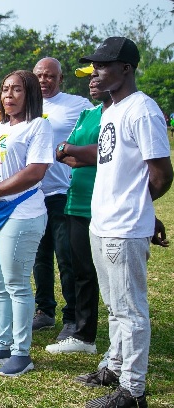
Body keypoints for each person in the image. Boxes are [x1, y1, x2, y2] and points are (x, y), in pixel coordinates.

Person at [74, 37, 173, 408]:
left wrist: (140, 209)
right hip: (102, 223)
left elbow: (162, 173)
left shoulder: (142, 110)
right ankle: (114, 367)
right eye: (95, 65)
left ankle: (133, 391)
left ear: (126, 69)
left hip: (124, 227)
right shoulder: (112, 110)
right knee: (115, 305)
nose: (96, 72)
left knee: (131, 310)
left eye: (103, 65)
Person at [0, 70, 52, 377]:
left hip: (22, 212)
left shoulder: (38, 126)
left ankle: (21, 352)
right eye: (5, 90)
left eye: (16, 90)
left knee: (17, 283)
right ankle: (1, 343)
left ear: (30, 94)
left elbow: (36, 171)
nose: (8, 95)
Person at [45, 66, 112, 355]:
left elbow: (109, 152)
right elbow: (64, 153)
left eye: (98, 76)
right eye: (90, 78)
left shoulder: (119, 115)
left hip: (105, 202)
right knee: (81, 269)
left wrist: (75, 150)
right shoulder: (88, 115)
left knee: (103, 273)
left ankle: (106, 333)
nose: (93, 82)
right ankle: (84, 335)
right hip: (77, 200)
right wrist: (79, 152)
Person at [31, 57, 93, 341]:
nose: (44, 81)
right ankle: (44, 311)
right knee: (38, 257)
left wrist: (70, 153)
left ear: (61, 78)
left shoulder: (77, 105)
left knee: (66, 257)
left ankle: (72, 318)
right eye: (39, 76)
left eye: (50, 76)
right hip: (31, 193)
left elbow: (95, 133)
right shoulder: (26, 104)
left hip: (61, 193)